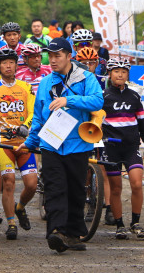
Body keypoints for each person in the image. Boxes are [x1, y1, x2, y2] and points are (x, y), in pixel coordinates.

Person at [17, 37, 104, 252]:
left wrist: (69, 101)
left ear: (69, 56)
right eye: (51, 56)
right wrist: (30, 142)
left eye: (57, 56)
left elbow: (97, 101)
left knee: (75, 190)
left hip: (78, 144)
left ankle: (73, 234)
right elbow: (38, 116)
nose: (53, 60)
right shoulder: (46, 82)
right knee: (55, 188)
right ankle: (56, 232)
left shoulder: (86, 77)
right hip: (50, 144)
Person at [0, 48, 37, 241]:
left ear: (16, 65)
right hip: (4, 143)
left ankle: (20, 207)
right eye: (4, 63)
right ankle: (11, 223)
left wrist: (25, 126)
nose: (8, 66)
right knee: (9, 182)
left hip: (24, 142)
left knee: (32, 184)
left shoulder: (25, 87)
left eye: (11, 62)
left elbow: (33, 111)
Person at [101, 58, 144, 240]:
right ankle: (120, 224)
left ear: (128, 74)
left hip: (131, 147)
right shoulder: (103, 96)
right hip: (111, 148)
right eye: (116, 71)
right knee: (116, 189)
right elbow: (95, 121)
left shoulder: (134, 96)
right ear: (110, 74)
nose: (120, 74)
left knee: (137, 184)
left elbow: (142, 121)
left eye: (123, 71)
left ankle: (135, 223)